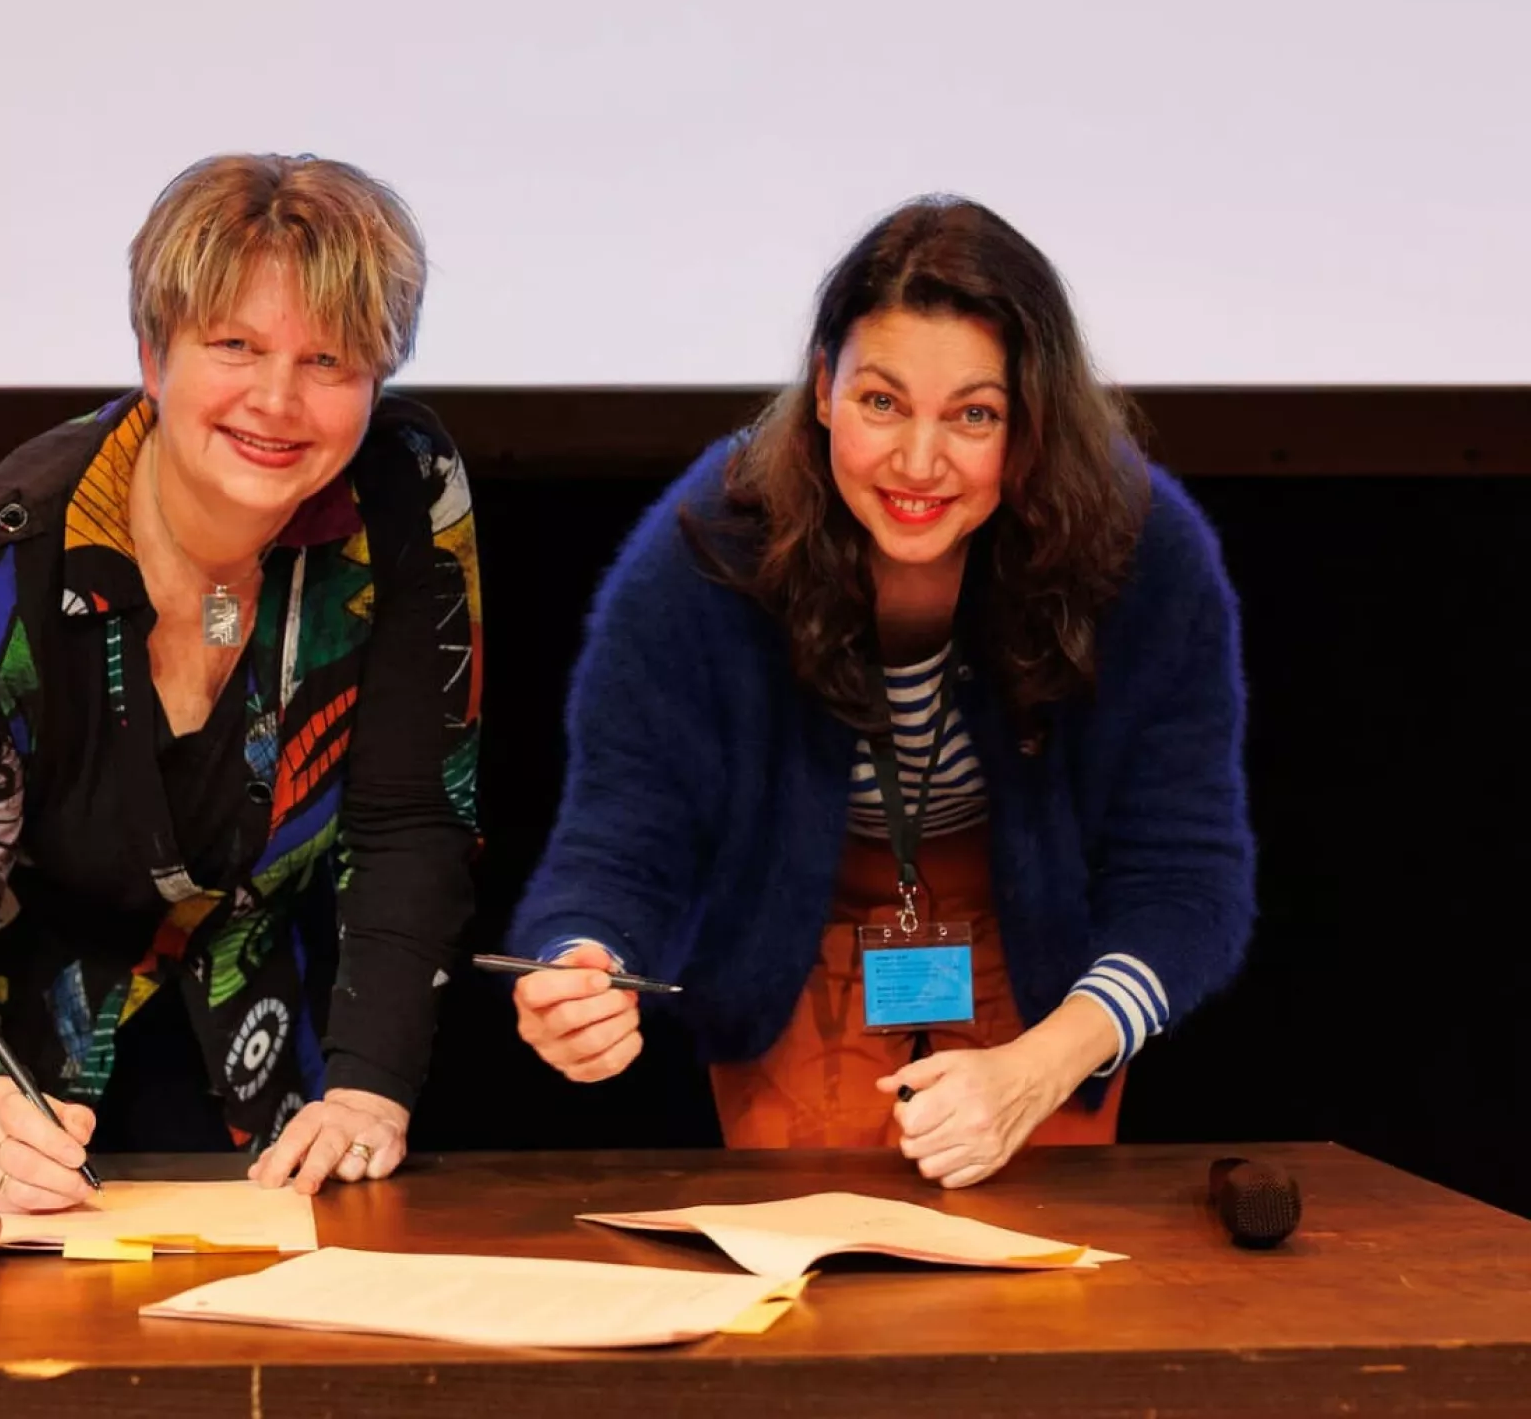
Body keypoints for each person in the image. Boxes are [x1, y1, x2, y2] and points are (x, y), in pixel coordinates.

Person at [506, 197, 1252, 1188]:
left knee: (1041, 1284)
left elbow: (1186, 873)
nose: (917, 462)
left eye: (974, 415)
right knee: (807, 1270)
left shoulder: (1138, 548)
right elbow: (622, 829)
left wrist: (1045, 1065)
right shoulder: (709, 545)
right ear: (823, 390)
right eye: (881, 402)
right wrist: (580, 960)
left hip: (1038, 948)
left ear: (1033, 418)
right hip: (798, 933)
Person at [0, 154, 482, 1210]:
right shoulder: (4, 557)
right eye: (235, 347)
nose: (278, 400)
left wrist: (370, 1089)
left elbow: (412, 822)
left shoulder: (406, 495)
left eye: (329, 360)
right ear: (154, 357)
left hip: (229, 1032)